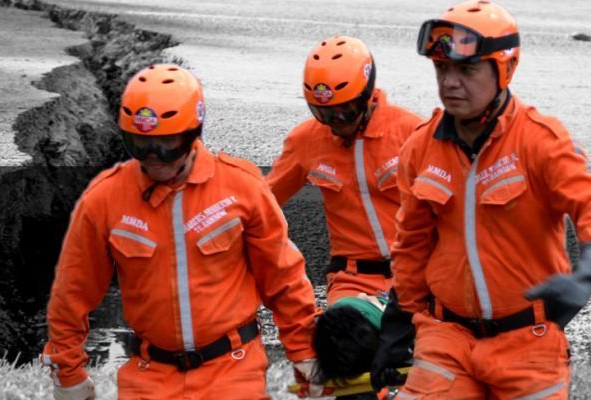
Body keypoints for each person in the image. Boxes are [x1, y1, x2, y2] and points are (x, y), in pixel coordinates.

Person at [41, 64, 322, 400]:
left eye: (166, 144)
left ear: (193, 133)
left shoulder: (242, 187)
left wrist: (304, 350)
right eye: (141, 144)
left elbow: (283, 277)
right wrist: (68, 373)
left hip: (233, 370)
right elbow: (72, 291)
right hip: (149, 375)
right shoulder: (104, 199)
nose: (154, 157)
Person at [370, 1, 591, 398]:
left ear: (505, 68)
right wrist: (398, 324)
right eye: (442, 69)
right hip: (446, 337)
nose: (450, 83)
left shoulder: (542, 141)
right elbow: (411, 244)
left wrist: (585, 276)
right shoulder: (420, 147)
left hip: (528, 342)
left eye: (467, 70)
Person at [266, 35, 422, 399]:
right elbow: (260, 202)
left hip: (417, 279)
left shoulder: (411, 132)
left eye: (344, 112)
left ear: (366, 95)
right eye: (324, 114)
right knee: (342, 341)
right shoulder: (305, 141)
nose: (335, 123)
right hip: (353, 283)